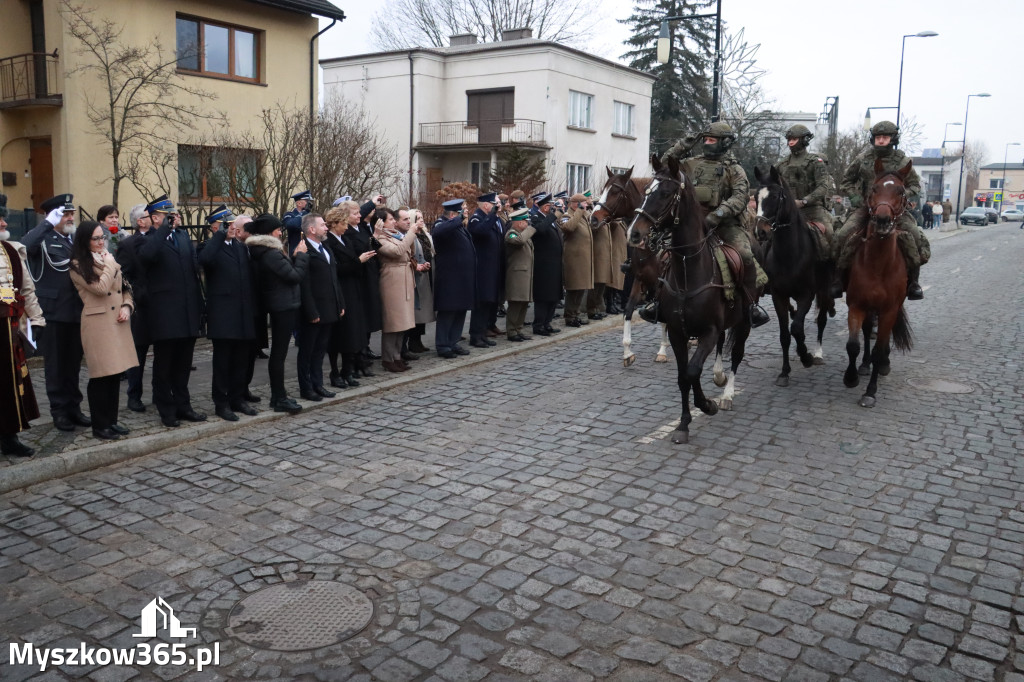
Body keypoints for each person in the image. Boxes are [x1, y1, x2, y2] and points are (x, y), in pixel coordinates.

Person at [641, 122, 769, 327]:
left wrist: (717, 215)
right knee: (662, 255)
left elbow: (740, 197)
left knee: (745, 255)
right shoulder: (692, 163)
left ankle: (750, 304)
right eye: (706, 139)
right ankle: (657, 301)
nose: (707, 143)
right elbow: (664, 166)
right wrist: (683, 145)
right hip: (692, 223)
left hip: (725, 225)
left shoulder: (734, 169)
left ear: (724, 143)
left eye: (711, 140)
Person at [834, 120, 929, 300]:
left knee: (914, 235)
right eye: (878, 137)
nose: (881, 140)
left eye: (885, 137)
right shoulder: (863, 159)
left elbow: (915, 185)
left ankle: (914, 283)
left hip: (895, 210)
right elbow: (846, 181)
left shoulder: (902, 160)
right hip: (865, 208)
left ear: (892, 139)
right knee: (842, 235)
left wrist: (901, 195)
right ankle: (838, 279)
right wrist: (855, 198)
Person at [22, 193, 91, 432]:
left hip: (75, 311)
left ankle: (74, 408)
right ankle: (59, 411)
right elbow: (25, 246)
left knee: (73, 365)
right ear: (53, 216)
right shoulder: (43, 238)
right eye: (65, 214)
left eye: (72, 214)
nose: (70, 218)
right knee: (56, 366)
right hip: (53, 312)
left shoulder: (73, 241)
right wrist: (46, 224)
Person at [138, 195, 206, 428]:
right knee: (164, 365)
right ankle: (166, 409)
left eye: (174, 215)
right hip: (164, 313)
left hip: (187, 311)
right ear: (155, 218)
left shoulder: (183, 236)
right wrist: (163, 231)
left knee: (183, 364)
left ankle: (183, 405)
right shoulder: (148, 239)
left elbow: (192, 271)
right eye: (168, 216)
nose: (174, 218)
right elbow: (147, 257)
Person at [68, 221, 137, 440]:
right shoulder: (77, 265)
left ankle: (112, 421)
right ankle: (100, 425)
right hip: (98, 324)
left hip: (117, 321)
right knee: (101, 376)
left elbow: (126, 288)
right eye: (96, 239)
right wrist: (110, 264)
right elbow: (99, 288)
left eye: (102, 238)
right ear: (85, 241)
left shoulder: (109, 258)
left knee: (115, 373)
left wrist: (127, 306)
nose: (101, 242)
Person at [199, 211, 259, 422]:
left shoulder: (240, 248)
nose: (232, 228)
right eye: (227, 224)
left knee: (241, 360)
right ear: (216, 227)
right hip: (223, 315)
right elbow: (204, 260)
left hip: (242, 313)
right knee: (223, 362)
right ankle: (221, 402)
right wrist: (219, 236)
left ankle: (237, 398)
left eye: (233, 224)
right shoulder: (210, 247)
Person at [246, 213, 309, 414]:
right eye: (277, 229)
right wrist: (301, 256)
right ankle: (278, 397)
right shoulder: (270, 253)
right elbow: (294, 275)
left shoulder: (266, 251)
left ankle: (278, 395)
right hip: (282, 306)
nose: (281, 232)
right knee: (279, 354)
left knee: (279, 353)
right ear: (269, 233)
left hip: (282, 303)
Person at [0, 193, 45, 456]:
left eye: (4, 218)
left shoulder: (12, 250)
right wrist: (8, 299)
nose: (4, 223)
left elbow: (25, 289)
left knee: (11, 382)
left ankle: (9, 436)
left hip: (9, 330)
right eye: (0, 219)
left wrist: (36, 318)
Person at [297, 213, 344, 398]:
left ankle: (318, 384)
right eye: (323, 225)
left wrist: (339, 303)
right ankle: (306, 387)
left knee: (320, 350)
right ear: (312, 229)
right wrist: (310, 310)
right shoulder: (304, 250)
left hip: (329, 308)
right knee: (307, 351)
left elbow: (334, 278)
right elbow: (304, 284)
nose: (326, 228)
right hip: (314, 310)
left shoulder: (325, 247)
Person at [324, 202, 371, 388]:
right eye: (343, 223)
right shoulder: (329, 242)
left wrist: (360, 261)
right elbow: (337, 268)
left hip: (354, 289)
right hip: (341, 290)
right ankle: (336, 372)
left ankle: (348, 370)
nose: (346, 227)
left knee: (354, 333)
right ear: (335, 224)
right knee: (340, 335)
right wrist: (358, 262)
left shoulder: (346, 239)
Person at [115, 203, 154, 413]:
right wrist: (134, 294)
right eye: (151, 215)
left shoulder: (162, 238)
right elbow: (122, 276)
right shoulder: (128, 245)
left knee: (164, 353)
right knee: (137, 354)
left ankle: (160, 392)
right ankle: (134, 395)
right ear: (140, 221)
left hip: (162, 304)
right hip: (140, 306)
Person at [775, 124, 834, 257]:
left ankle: (832, 271)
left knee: (830, 235)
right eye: (789, 139)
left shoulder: (815, 162)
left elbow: (823, 186)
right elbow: (770, 183)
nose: (790, 142)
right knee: (765, 235)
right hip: (787, 211)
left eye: (794, 139)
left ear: (804, 140)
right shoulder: (781, 164)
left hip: (813, 211)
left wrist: (805, 201)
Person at [374, 208, 418, 372]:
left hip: (404, 277)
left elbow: (407, 252)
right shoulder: (379, 238)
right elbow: (397, 252)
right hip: (391, 279)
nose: (393, 222)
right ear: (381, 222)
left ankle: (397, 356)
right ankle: (388, 358)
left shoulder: (396, 235)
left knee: (404, 322)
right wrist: (411, 233)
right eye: (390, 219)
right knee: (393, 322)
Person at [432, 198, 476, 358]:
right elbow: (438, 232)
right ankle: (443, 345)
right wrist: (458, 219)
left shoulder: (457, 226)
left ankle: (453, 342)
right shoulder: (440, 224)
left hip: (462, 278)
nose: (465, 214)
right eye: (461, 211)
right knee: (448, 312)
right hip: (450, 279)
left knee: (460, 311)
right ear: (452, 214)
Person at [467, 192, 504, 348]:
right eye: (495, 203)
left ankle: (483, 333)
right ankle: (475, 336)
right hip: (482, 269)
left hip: (492, 268)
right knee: (481, 304)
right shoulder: (477, 218)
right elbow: (480, 231)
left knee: (489, 303)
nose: (498, 206)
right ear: (486, 205)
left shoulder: (491, 218)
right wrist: (494, 214)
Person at [530, 193, 564, 336]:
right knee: (544, 296)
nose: (552, 209)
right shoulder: (536, 218)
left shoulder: (550, 220)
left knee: (554, 295)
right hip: (543, 264)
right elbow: (541, 230)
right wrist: (554, 216)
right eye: (550, 206)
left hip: (555, 263)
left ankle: (547, 323)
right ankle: (538, 325)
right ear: (545, 207)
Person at [561, 193, 594, 327]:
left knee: (581, 289)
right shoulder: (567, 215)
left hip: (584, 259)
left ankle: (575, 314)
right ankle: (569, 317)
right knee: (573, 289)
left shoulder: (584, 216)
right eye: (584, 203)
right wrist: (580, 211)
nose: (586, 206)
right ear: (576, 204)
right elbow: (568, 227)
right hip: (574, 260)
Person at [503, 208, 535, 342]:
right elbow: (519, 241)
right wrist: (531, 229)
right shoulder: (511, 234)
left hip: (526, 274)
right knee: (515, 304)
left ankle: (518, 329)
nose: (527, 224)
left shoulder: (523, 234)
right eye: (524, 221)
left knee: (523, 303)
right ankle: (511, 331)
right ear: (518, 222)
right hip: (516, 275)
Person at [407, 208, 434, 353]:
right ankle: (413, 341)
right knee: (416, 312)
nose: (421, 220)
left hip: (426, 274)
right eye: (418, 218)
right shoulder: (412, 236)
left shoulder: (423, 235)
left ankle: (418, 340)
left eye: (422, 217)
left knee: (423, 311)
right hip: (416, 275)